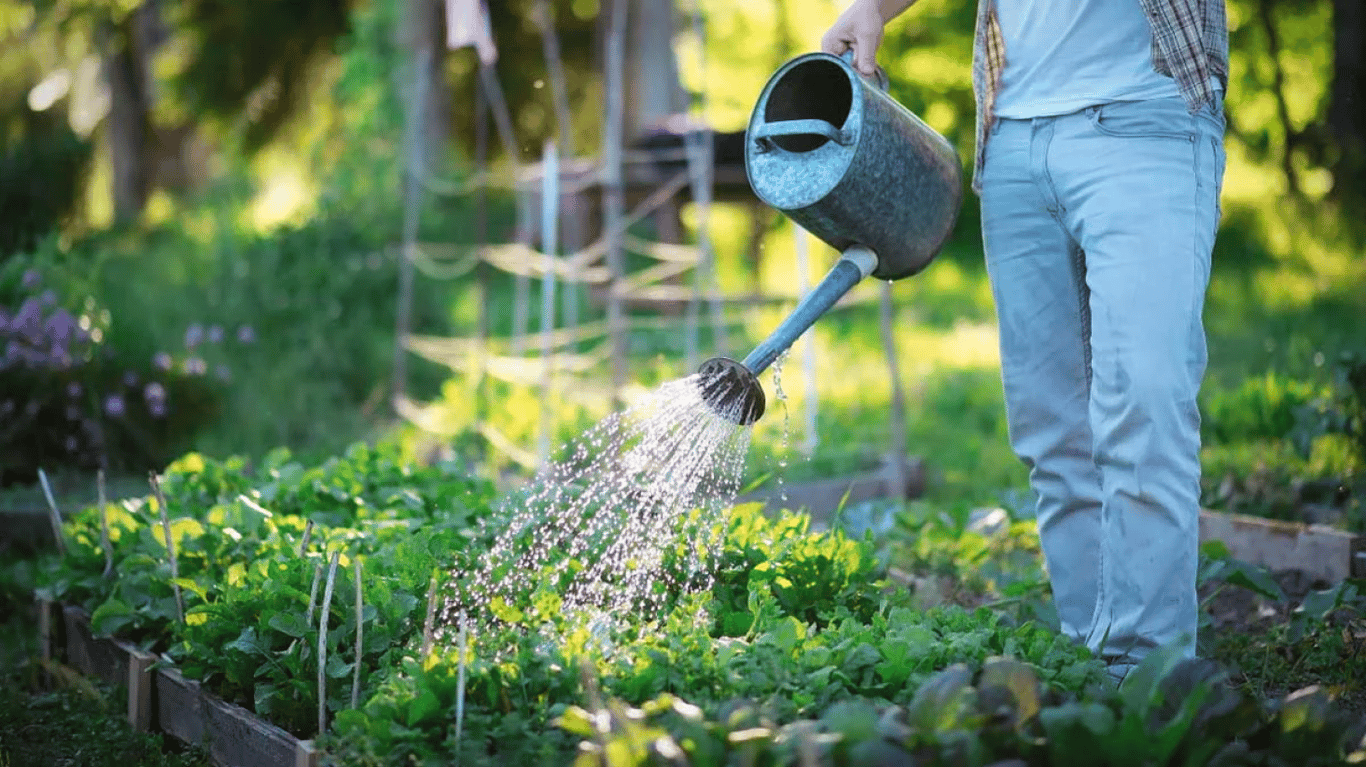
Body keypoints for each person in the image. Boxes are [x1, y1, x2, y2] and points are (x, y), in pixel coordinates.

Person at [822, 0, 1228, 681]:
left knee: (1145, 399)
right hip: (1012, 135)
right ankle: (1086, 662)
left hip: (1144, 118)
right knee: (1053, 428)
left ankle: (1147, 677)